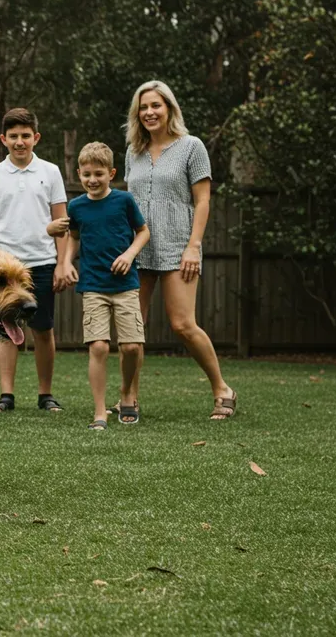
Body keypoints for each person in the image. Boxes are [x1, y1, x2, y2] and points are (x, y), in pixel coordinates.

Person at [124, 80, 236, 420]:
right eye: (143, 107)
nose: (149, 112)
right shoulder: (133, 152)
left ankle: (222, 389)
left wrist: (193, 246)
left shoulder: (192, 147)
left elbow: (202, 201)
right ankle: (128, 398)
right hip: (138, 249)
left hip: (178, 247)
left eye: (156, 105)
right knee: (132, 329)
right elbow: (129, 203)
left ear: (170, 109)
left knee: (183, 325)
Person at [48, 143, 149, 430]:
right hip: (93, 285)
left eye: (99, 174)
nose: (92, 180)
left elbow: (143, 232)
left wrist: (129, 255)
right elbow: (74, 238)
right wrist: (66, 262)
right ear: (79, 173)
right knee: (99, 347)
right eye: (87, 174)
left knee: (131, 347)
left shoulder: (124, 201)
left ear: (111, 174)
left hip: (125, 285)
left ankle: (127, 394)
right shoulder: (76, 207)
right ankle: (99, 412)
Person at [0, 108, 68, 413]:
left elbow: (61, 221)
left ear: (36, 138)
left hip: (42, 262)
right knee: (6, 329)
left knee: (43, 329)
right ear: (3, 139)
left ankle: (45, 394)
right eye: (13, 136)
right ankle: (6, 395)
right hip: (5, 266)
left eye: (25, 136)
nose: (19, 142)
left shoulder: (51, 172)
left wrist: (63, 263)